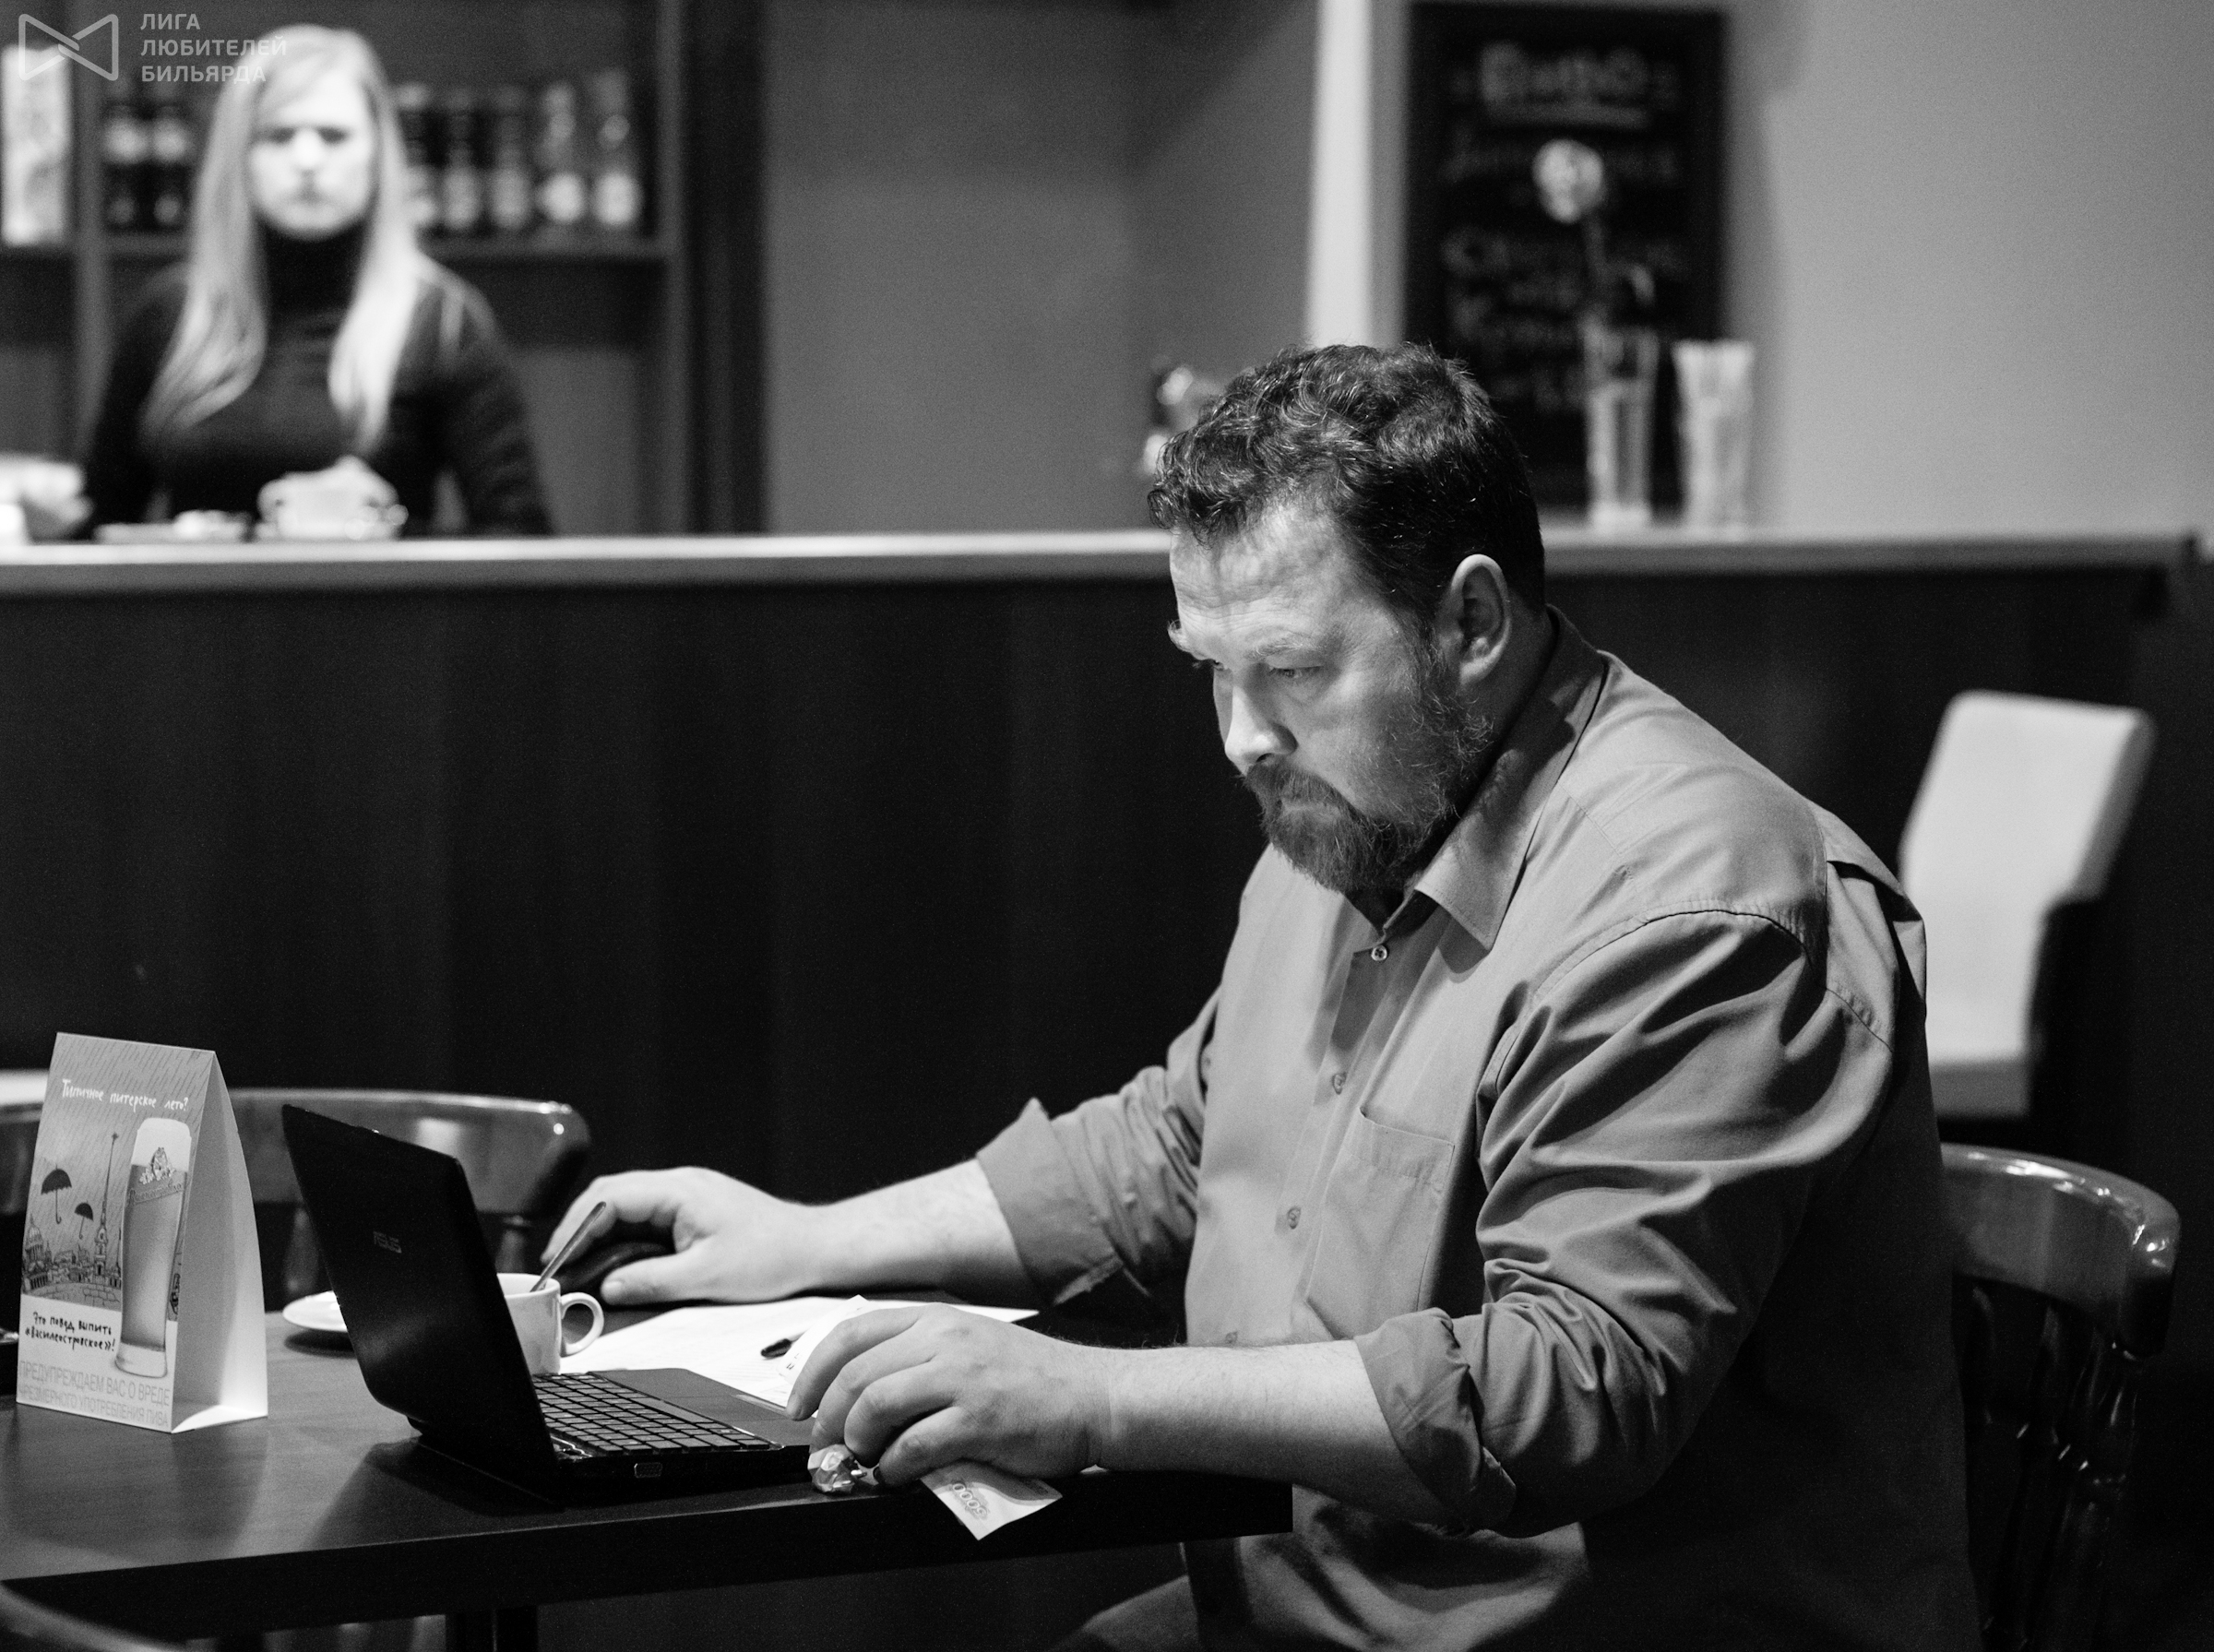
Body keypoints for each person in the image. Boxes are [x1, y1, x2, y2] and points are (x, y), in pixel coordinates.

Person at [547, 344, 1979, 1649]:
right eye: (1213, 671)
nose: (1242, 736)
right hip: (1309, 1602)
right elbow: (1182, 1140)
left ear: (1472, 620)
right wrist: (807, 1239)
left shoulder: (1693, 902)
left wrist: (1093, 1398)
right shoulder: (1360, 800)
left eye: (1290, 667)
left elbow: (1570, 1388)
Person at [80, 27, 550, 538]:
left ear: (378, 154)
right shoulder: (171, 312)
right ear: (238, 157)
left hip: (380, 594)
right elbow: (96, 530)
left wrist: (382, 529)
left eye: (333, 135)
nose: (307, 160)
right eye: (278, 135)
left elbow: (521, 539)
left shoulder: (444, 321)